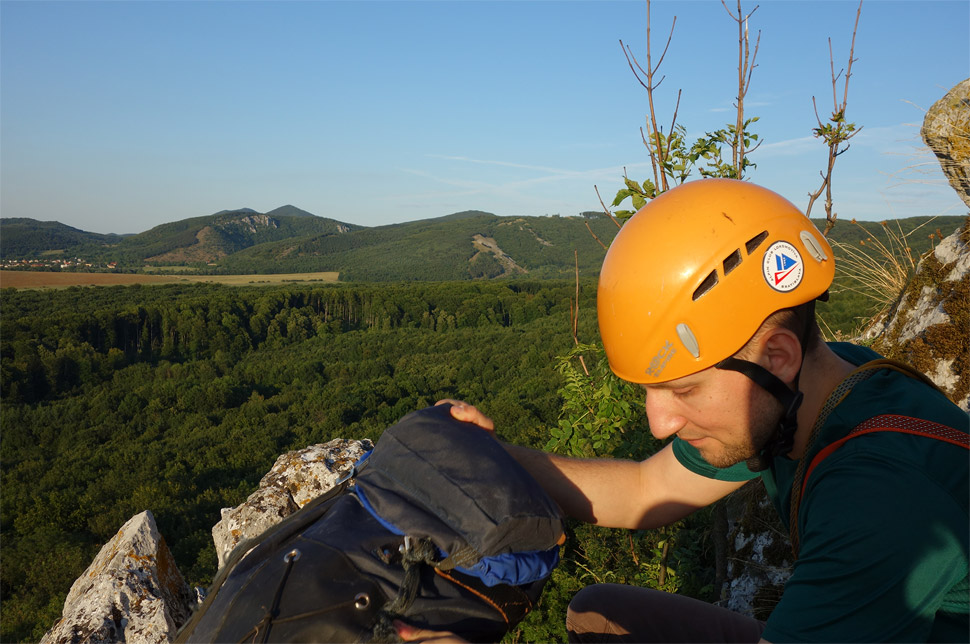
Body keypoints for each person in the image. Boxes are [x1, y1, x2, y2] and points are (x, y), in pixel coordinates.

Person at [399, 178, 969, 643]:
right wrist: (483, 457)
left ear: (778, 357)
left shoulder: (877, 495)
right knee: (598, 615)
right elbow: (644, 490)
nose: (659, 423)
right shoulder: (810, 392)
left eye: (685, 391)